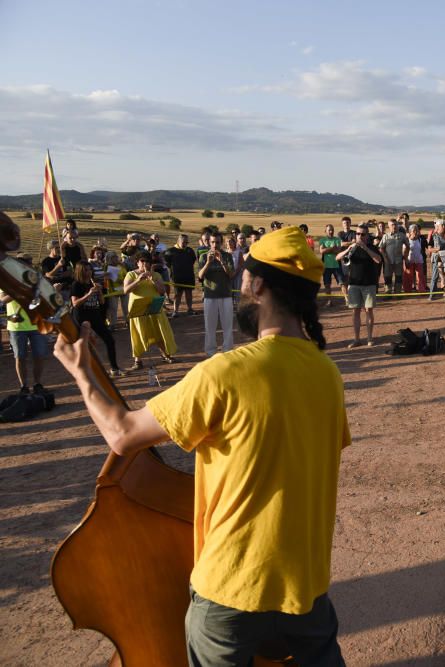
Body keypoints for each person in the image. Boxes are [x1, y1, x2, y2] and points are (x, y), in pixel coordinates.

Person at [53, 227, 350, 665]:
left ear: (257, 285)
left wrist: (82, 375)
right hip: (305, 585)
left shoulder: (225, 372)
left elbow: (122, 435)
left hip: (231, 586)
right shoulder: (328, 374)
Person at [1, 255, 50, 394]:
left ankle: (38, 384)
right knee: (20, 357)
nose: (28, 265)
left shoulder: (36, 280)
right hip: (17, 326)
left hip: (37, 324)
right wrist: (19, 291)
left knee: (39, 356)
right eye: (25, 263)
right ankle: (23, 386)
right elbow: (3, 300)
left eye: (29, 263)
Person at [123, 251, 177, 369]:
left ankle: (165, 355)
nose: (145, 264)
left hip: (154, 307)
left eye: (147, 261)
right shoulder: (131, 275)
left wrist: (153, 280)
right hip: (138, 309)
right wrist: (138, 280)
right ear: (137, 262)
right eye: (142, 261)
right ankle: (138, 361)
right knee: (138, 333)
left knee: (159, 331)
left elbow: (162, 291)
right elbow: (126, 290)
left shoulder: (156, 275)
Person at [70, 262, 122, 376]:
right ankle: (85, 371)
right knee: (85, 344)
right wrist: (89, 294)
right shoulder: (76, 285)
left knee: (109, 340)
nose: (89, 272)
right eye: (86, 270)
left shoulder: (93, 283)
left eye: (90, 270)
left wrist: (99, 293)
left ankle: (114, 368)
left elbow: (102, 302)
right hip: (81, 317)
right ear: (81, 271)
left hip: (95, 315)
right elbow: (75, 303)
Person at [337, 224, 382, 348]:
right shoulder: (352, 248)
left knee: (369, 311)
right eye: (357, 234)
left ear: (367, 236)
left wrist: (365, 248)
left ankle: (369, 338)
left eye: (362, 234)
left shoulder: (372, 247)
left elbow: (378, 260)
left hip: (369, 284)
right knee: (355, 312)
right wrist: (349, 248)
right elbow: (338, 257)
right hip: (354, 284)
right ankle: (356, 339)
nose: (359, 236)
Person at [197, 232, 235, 357]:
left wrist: (222, 261)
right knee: (210, 326)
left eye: (217, 242)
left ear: (221, 242)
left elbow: (231, 275)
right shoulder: (203, 257)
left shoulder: (227, 256)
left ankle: (227, 350)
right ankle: (210, 352)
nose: (214, 245)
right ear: (209, 242)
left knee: (227, 326)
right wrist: (208, 262)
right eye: (212, 242)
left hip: (225, 295)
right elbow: (200, 276)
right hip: (210, 295)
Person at [164, 234, 197, 317]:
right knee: (177, 294)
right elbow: (167, 263)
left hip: (189, 275)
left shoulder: (190, 250)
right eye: (184, 242)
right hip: (177, 277)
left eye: (187, 242)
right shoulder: (170, 251)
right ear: (178, 241)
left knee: (189, 293)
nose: (185, 244)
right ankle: (175, 311)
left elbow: (193, 260)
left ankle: (190, 309)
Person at [318, 223, 345, 306]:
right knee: (327, 284)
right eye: (329, 230)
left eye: (332, 230)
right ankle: (329, 301)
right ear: (325, 231)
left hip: (337, 265)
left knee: (342, 283)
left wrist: (328, 250)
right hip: (326, 266)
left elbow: (339, 251)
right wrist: (332, 248)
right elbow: (321, 251)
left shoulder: (337, 239)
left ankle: (347, 299)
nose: (331, 231)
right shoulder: (322, 240)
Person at [379, 219, 408, 295]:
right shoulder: (386, 236)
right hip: (388, 261)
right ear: (388, 226)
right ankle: (388, 293)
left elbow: (408, 246)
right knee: (387, 277)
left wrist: (405, 256)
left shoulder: (402, 236)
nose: (394, 226)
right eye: (392, 225)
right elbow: (381, 248)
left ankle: (398, 293)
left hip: (398, 261)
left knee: (398, 277)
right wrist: (385, 259)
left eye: (395, 224)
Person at [426, 220, 445, 301]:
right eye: (443, 225)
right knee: (435, 277)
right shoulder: (434, 236)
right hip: (436, 258)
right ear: (439, 227)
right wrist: (436, 249)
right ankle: (432, 295)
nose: (444, 227)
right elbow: (429, 248)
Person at [402, 224, 427, 293]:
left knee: (420, 276)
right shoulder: (407, 240)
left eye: (416, 230)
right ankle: (407, 290)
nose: (415, 232)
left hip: (419, 261)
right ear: (410, 232)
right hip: (409, 261)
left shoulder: (420, 239)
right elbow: (404, 252)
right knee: (408, 276)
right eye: (414, 231)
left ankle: (421, 290)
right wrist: (406, 260)